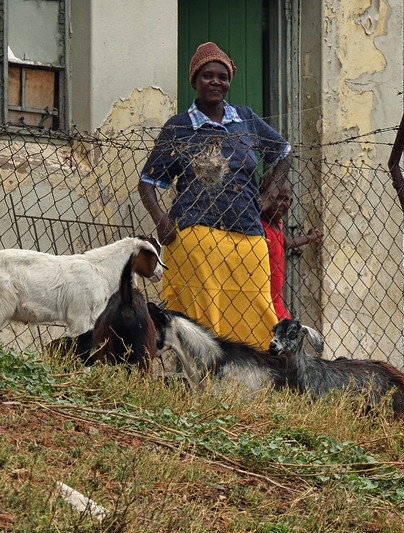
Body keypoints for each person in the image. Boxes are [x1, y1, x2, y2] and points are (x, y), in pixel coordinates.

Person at [138, 42, 291, 350]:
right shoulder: (179, 127)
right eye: (208, 75)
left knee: (257, 309)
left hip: (248, 234)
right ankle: (204, 383)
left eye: (222, 76)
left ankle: (252, 378)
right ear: (195, 80)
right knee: (202, 320)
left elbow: (283, 151)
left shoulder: (245, 119)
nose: (215, 82)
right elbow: (147, 181)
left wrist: (267, 197)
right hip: (196, 237)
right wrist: (160, 220)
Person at [260, 191, 322, 322]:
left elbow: (284, 242)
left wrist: (309, 237)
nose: (277, 203)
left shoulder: (276, 224)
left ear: (290, 203)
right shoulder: (259, 228)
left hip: (276, 300)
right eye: (272, 197)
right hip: (264, 299)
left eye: (284, 199)